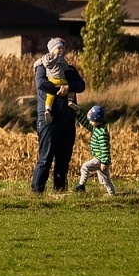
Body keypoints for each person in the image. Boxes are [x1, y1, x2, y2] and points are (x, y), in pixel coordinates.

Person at [30, 37, 86, 193]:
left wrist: (68, 87)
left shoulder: (69, 69)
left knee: (63, 160)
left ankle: (60, 190)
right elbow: (41, 83)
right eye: (58, 48)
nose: (61, 51)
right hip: (49, 120)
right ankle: (37, 191)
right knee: (45, 158)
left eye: (63, 48)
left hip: (68, 120)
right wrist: (59, 90)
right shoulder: (42, 66)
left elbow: (81, 85)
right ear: (51, 49)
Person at [75, 105, 115, 196]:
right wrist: (78, 114)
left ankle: (81, 186)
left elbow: (105, 148)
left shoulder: (102, 133)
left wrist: (104, 162)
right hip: (98, 158)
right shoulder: (96, 128)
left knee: (85, 167)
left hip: (100, 160)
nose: (89, 121)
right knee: (104, 179)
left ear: (97, 120)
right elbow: (86, 124)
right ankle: (112, 193)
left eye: (91, 120)